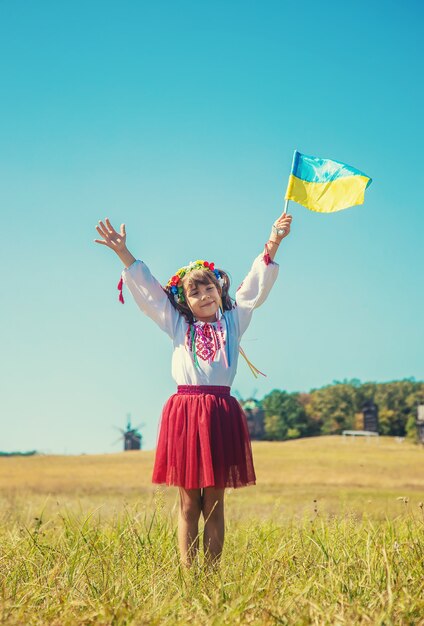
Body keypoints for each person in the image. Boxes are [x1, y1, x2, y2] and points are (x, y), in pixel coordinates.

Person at [94, 211, 292, 567]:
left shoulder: (234, 320)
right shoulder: (176, 324)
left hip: (220, 412)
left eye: (209, 288)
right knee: (188, 503)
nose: (203, 296)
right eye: (195, 291)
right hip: (185, 413)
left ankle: (212, 576)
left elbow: (252, 287)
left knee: (215, 502)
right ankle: (189, 578)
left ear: (220, 291)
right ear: (184, 300)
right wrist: (124, 253)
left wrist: (274, 239)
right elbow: (151, 292)